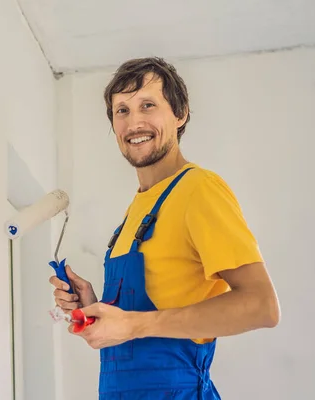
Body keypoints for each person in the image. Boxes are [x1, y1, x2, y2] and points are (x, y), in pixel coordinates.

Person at [49, 57, 280, 399]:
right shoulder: (136, 209)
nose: (134, 122)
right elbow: (144, 320)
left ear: (180, 113)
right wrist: (97, 308)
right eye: (122, 110)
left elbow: (262, 306)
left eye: (148, 105)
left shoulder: (198, 189)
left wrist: (133, 325)